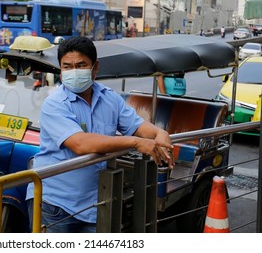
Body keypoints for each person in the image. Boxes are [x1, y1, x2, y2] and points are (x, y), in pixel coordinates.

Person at [25, 36, 174, 233]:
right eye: (67, 67)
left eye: (81, 65)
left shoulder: (110, 98)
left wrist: (159, 133)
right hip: (54, 204)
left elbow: (136, 125)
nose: (74, 71)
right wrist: (136, 143)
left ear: (95, 68)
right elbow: (80, 144)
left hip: (93, 204)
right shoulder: (54, 104)